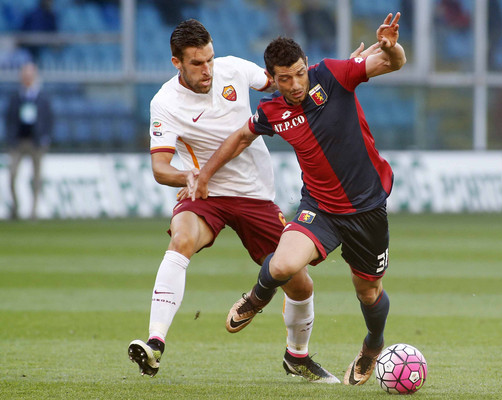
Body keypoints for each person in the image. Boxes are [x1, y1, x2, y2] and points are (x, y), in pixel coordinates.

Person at [188, 12, 406, 386]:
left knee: (368, 292)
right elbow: (241, 137)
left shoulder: (335, 74)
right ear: (272, 79)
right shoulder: (272, 110)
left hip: (368, 209)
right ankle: (256, 298)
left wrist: (392, 46)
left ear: (307, 66)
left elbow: (392, 62)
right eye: (284, 78)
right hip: (319, 208)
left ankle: (373, 345)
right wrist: (204, 175)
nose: (295, 84)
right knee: (283, 265)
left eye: (300, 73)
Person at [126, 19, 341, 383]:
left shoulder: (234, 69)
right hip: (205, 193)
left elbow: (284, 80)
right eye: (197, 63)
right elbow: (161, 168)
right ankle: (155, 343)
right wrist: (189, 176)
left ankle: (297, 357)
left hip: (255, 195)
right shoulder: (164, 102)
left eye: (209, 59)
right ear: (177, 62)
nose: (207, 69)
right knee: (181, 239)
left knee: (299, 282)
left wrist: (329, 77)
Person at [6, 62, 53, 220]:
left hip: (36, 143)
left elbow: (49, 119)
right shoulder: (16, 97)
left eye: (30, 75)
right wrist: (10, 138)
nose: (27, 78)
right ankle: (16, 207)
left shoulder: (42, 97)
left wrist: (45, 137)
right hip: (18, 142)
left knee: (37, 178)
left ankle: (34, 211)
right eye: (25, 75)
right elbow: (9, 119)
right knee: (12, 175)